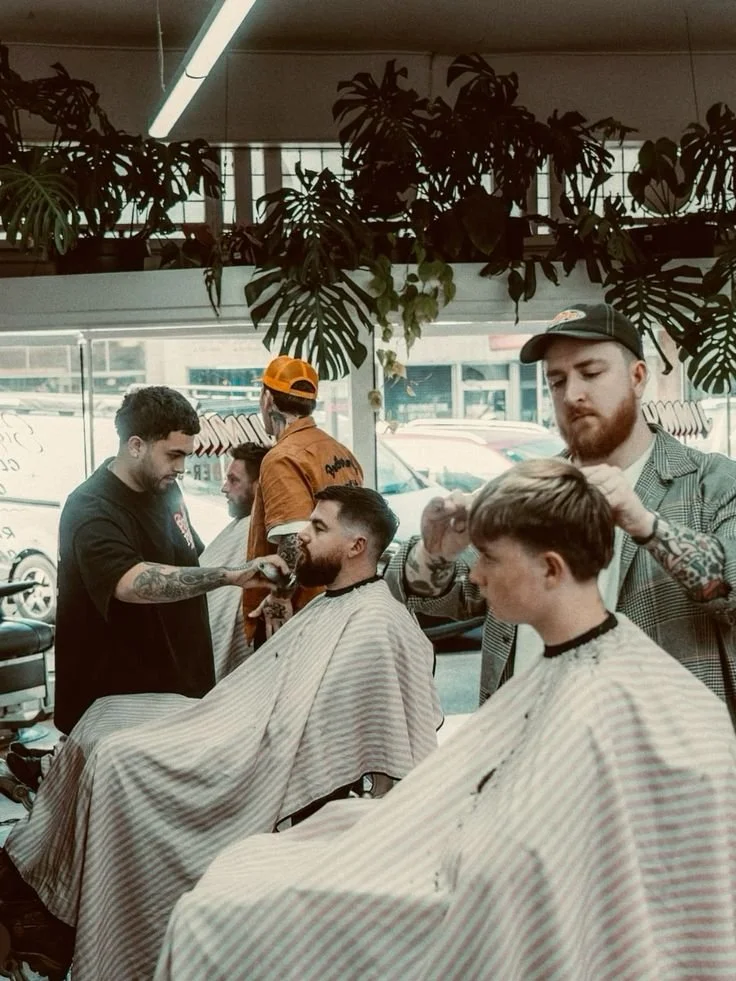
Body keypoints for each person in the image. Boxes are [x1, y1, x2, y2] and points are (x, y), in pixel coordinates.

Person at [154, 460, 736, 981]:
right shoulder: (569, 667)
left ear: (551, 569)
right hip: (459, 853)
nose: (475, 577)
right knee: (248, 872)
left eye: (488, 557)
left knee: (216, 920)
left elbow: (549, 873)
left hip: (472, 887)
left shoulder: (639, 704)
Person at [0, 486, 441, 981]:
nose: (302, 537)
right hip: (232, 719)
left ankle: (88, 934)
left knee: (119, 759)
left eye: (318, 528)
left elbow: (332, 728)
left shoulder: (377, 621)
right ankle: (46, 899)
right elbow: (294, 681)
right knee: (102, 717)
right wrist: (280, 626)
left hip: (252, 753)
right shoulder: (331, 603)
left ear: (357, 546)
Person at [386, 302, 736, 714]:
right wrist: (435, 552)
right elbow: (436, 599)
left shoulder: (710, 482)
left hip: (658, 756)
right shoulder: (529, 489)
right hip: (534, 746)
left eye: (590, 373)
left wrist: (644, 523)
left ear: (637, 377)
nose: (572, 394)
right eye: (556, 380)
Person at [53, 386, 286, 734]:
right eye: (173, 455)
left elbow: (188, 555)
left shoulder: (165, 489)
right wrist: (229, 576)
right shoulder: (91, 508)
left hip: (176, 686)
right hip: (117, 700)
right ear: (135, 446)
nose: (181, 468)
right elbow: (132, 583)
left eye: (186, 456)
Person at [244, 355, 363, 646]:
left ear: (268, 399)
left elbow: (294, 541)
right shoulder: (340, 452)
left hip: (297, 614)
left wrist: (279, 596)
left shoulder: (282, 457)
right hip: (340, 603)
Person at [200, 442, 270, 680]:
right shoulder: (241, 527)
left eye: (233, 480)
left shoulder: (255, 532)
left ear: (258, 487)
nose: (224, 488)